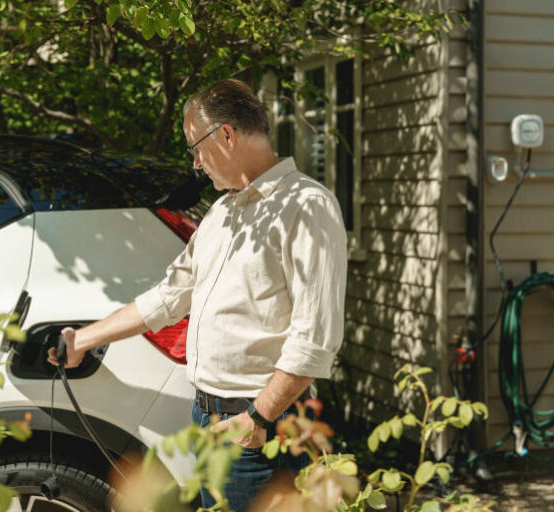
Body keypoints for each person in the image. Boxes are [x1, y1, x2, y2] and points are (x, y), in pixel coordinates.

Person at [48, 78, 348, 511]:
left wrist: (258, 417)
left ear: (225, 135)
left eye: (195, 147)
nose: (195, 164)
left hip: (262, 425)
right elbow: (171, 295)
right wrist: (84, 339)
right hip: (210, 418)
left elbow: (315, 340)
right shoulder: (225, 212)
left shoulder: (306, 205)